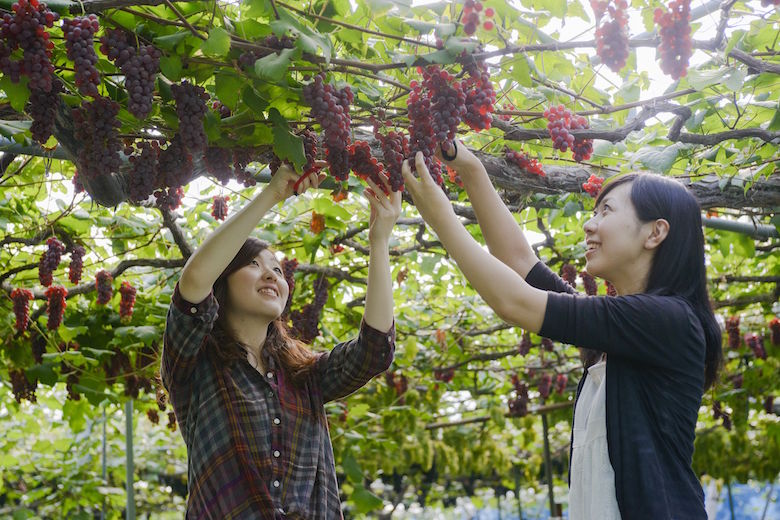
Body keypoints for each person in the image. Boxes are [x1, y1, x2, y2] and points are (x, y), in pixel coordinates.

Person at [401, 144, 722, 519]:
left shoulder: (668, 320)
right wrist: (471, 170)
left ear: (655, 233)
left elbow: (515, 302)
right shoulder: (627, 332)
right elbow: (521, 263)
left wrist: (440, 217)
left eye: (607, 211)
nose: (590, 224)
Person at [161, 164, 401, 518]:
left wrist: (379, 239)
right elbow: (194, 281)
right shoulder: (195, 365)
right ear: (222, 280)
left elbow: (374, 351)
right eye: (254, 265)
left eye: (276, 268)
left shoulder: (304, 376)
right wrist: (272, 193)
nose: (271, 274)